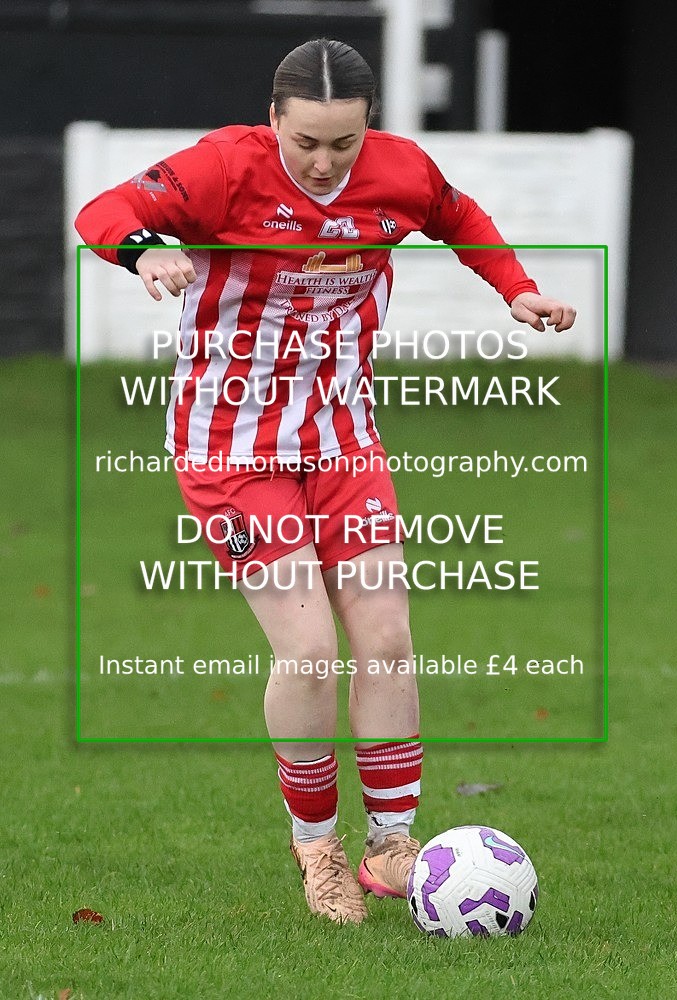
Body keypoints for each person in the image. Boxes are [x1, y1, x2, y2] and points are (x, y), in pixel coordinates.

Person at [76, 38, 576, 926]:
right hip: (230, 450)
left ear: (367, 128)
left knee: (385, 637)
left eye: (341, 143)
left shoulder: (398, 172)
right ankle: (318, 850)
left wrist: (517, 290)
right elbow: (105, 209)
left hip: (344, 443)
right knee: (307, 652)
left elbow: (457, 215)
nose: (323, 161)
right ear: (274, 120)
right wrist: (144, 249)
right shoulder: (223, 167)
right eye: (306, 141)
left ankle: (394, 842)